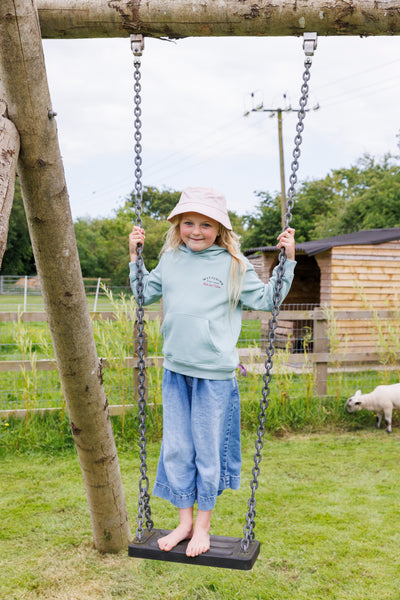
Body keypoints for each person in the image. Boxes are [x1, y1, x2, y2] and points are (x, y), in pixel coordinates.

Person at [129, 186, 296, 558]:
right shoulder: (171, 259)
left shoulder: (233, 266)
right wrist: (134, 258)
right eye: (189, 222)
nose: (196, 231)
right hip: (175, 370)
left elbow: (267, 300)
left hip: (214, 377)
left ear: (220, 229)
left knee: (207, 451)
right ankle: (184, 521)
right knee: (176, 449)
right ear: (178, 225)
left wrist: (288, 260)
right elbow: (143, 293)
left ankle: (202, 525)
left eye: (206, 224)